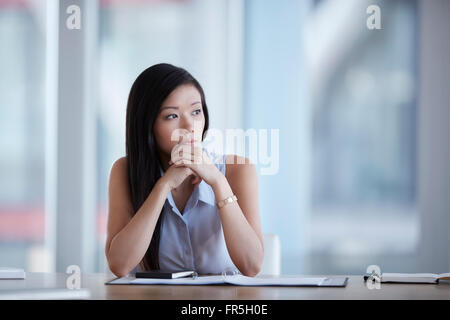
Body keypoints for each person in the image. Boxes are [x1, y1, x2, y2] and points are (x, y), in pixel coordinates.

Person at [105, 63, 264, 277]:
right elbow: (120, 265)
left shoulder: (237, 170)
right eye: (172, 116)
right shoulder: (124, 170)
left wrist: (218, 182)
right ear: (147, 125)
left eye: (196, 111)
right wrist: (164, 186)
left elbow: (251, 266)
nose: (190, 126)